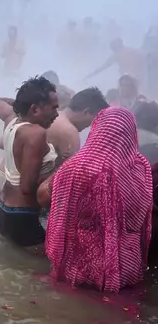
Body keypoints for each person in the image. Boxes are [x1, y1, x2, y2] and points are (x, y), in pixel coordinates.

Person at [45, 108, 152, 292]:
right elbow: (139, 218)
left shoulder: (77, 167)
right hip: (127, 262)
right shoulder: (141, 167)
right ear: (132, 134)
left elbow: (61, 217)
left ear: (97, 129)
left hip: (84, 263)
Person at [0, 76, 59, 247]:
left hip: (2, 206)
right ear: (35, 109)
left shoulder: (12, 118)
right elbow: (27, 187)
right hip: (21, 214)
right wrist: (61, 172)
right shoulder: (36, 133)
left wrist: (19, 104)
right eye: (53, 108)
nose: (57, 114)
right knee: (38, 267)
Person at [0, 87, 108, 167]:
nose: (90, 126)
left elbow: (2, 142)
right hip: (24, 194)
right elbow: (66, 178)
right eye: (92, 121)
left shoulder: (45, 116)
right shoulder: (69, 132)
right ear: (86, 112)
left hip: (4, 181)